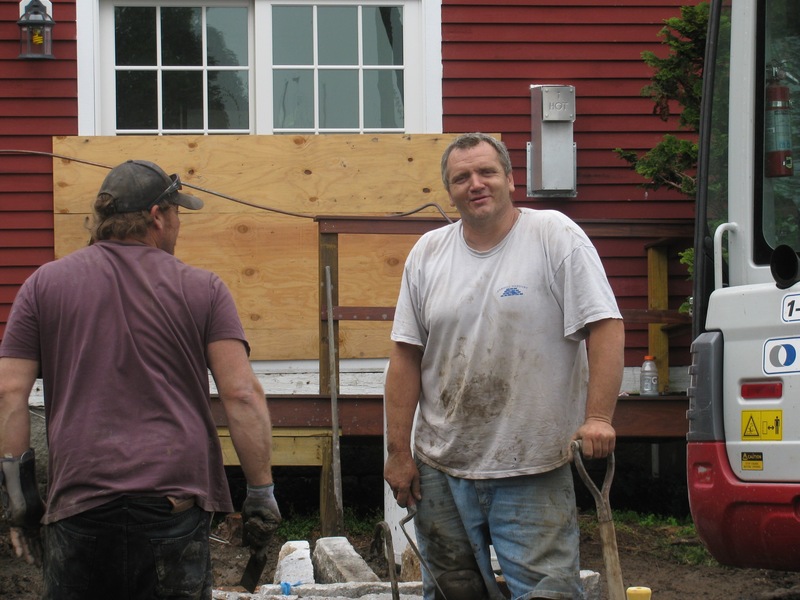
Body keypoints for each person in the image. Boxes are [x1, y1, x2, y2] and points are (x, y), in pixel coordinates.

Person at [0, 160, 281, 600]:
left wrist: (21, 502)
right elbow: (242, 394)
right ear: (156, 216)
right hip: (173, 504)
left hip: (81, 501)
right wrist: (261, 491)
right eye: (177, 213)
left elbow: (9, 392)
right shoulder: (204, 289)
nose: (178, 225)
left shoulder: (43, 285)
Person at [383, 133, 624, 599]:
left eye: (486, 172)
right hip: (440, 467)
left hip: (531, 465)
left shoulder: (553, 236)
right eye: (461, 177)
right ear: (449, 191)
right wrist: (398, 453)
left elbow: (606, 326)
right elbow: (405, 357)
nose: (475, 184)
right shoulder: (428, 253)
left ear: (511, 180)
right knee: (453, 591)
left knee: (546, 592)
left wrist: (598, 417)